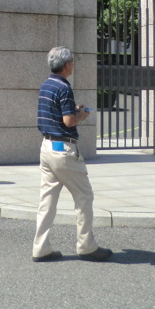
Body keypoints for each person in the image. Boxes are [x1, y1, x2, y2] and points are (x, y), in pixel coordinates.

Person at [32, 46, 113, 263]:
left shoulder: (46, 85)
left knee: (47, 199)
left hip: (47, 147)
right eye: (73, 62)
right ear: (67, 65)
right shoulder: (64, 87)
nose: (74, 65)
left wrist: (71, 110)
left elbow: (55, 114)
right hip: (64, 149)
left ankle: (40, 247)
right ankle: (86, 246)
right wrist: (82, 115)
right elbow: (68, 121)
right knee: (84, 196)